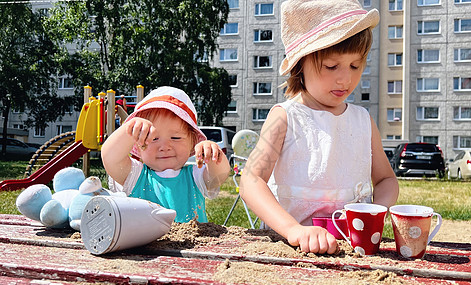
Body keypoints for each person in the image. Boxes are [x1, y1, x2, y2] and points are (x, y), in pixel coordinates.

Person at [239, 0, 399, 255]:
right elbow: (251, 180)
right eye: (332, 66)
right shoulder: (286, 117)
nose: (345, 78)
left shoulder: (362, 121)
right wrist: (294, 230)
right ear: (301, 63)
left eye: (355, 65)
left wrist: (375, 212)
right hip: (291, 249)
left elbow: (387, 180)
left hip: (353, 250)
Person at [102, 86, 230, 223]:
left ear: (192, 142)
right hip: (145, 244)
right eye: (153, 139)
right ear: (138, 147)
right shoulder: (136, 176)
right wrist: (130, 129)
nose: (164, 147)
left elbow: (218, 177)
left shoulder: (194, 177)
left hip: (193, 243)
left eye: (175, 138)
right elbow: (111, 158)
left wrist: (213, 156)